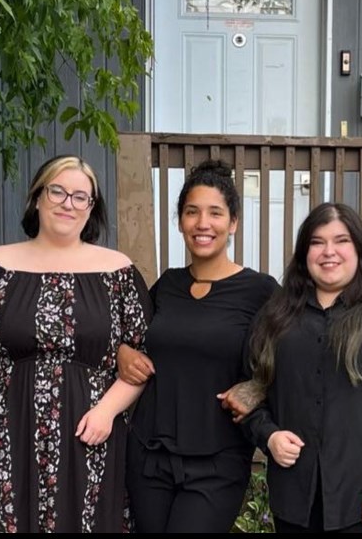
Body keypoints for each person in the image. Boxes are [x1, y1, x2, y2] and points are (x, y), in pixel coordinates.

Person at [0, 155, 151, 533]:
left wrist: (106, 412)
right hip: (8, 434)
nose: (68, 203)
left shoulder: (118, 272)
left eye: (80, 196)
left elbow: (142, 358)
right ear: (37, 198)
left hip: (90, 437)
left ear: (92, 208)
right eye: (58, 191)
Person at [242, 202, 362, 533]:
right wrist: (268, 435)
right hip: (295, 502)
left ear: (359, 249)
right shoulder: (275, 319)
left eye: (341, 240)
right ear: (304, 254)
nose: (329, 251)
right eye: (317, 242)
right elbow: (249, 389)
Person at [118, 159, 279, 533]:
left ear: (233, 223)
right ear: (180, 222)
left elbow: (298, 357)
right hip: (149, 454)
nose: (202, 223)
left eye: (215, 213)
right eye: (192, 212)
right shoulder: (167, 285)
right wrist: (123, 352)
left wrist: (259, 387)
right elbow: (131, 336)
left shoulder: (261, 291)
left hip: (218, 460)